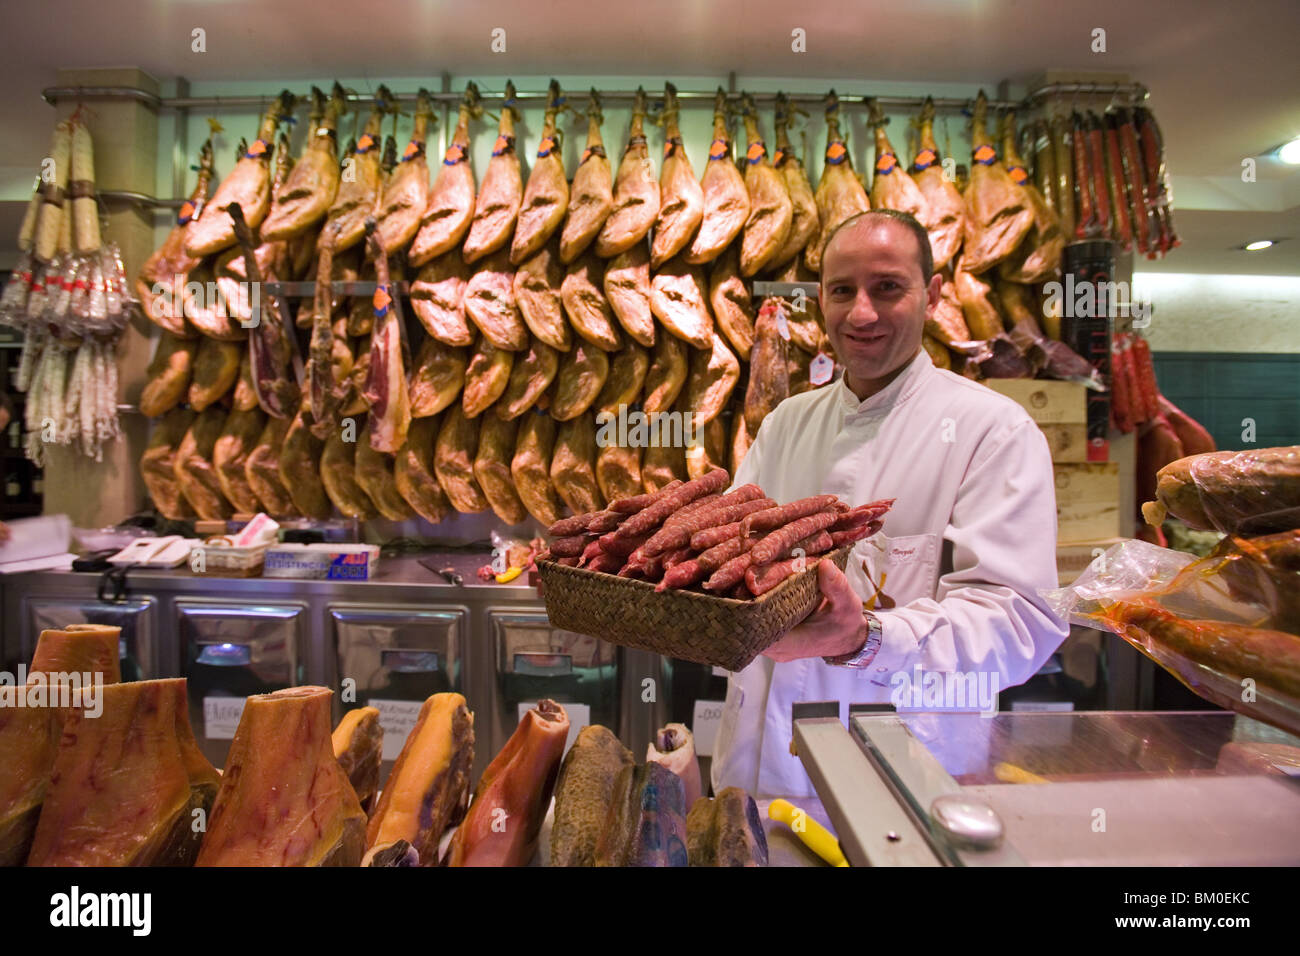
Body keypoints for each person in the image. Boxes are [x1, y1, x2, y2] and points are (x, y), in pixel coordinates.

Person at [711, 209, 1070, 799]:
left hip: (902, 779)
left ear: (931, 295)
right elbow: (726, 569)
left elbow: (1019, 622)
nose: (861, 314)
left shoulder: (993, 430)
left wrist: (866, 637)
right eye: (842, 291)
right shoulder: (785, 425)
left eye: (887, 288)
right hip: (757, 772)